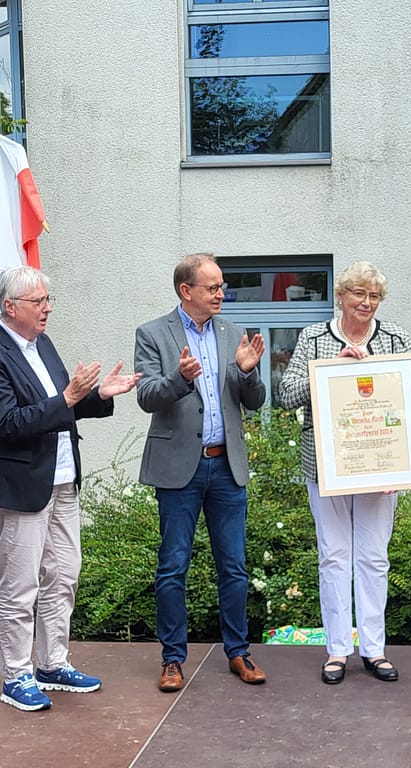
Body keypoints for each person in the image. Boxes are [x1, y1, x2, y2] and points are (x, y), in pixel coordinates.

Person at [0, 266, 140, 711]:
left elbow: (61, 409)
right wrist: (67, 399)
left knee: (64, 574)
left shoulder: (41, 344)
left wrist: (98, 395)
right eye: (38, 301)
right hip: (20, 484)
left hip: (62, 479)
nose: (47, 309)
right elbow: (6, 423)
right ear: (11, 307)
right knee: (20, 584)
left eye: (48, 300)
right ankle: (16, 675)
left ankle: (52, 663)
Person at [135, 252, 267, 692]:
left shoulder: (233, 333)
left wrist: (248, 373)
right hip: (179, 471)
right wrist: (180, 378)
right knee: (173, 567)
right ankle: (173, 659)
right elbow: (148, 396)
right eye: (212, 287)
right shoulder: (153, 333)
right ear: (185, 291)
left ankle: (239, 653)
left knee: (234, 566)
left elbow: (254, 400)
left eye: (222, 286)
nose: (220, 294)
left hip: (226, 466)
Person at [278, 261, 411, 685]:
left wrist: (401, 463)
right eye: (359, 294)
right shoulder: (314, 338)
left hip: (379, 468)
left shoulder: (395, 338)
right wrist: (332, 368)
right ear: (341, 296)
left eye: (374, 297)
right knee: (334, 557)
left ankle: (374, 649)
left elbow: (404, 404)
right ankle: (337, 650)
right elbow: (286, 395)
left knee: (374, 558)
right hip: (327, 466)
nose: (367, 303)